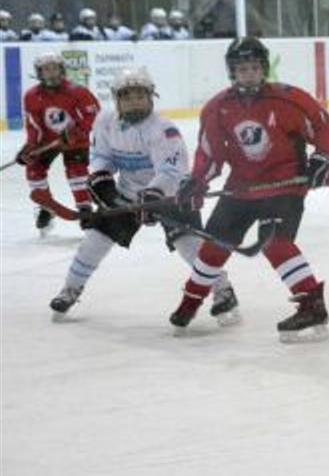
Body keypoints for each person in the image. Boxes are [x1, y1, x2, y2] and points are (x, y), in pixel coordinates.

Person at [170, 37, 329, 341]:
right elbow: (210, 154)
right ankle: (191, 300)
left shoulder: (291, 100)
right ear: (231, 72)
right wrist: (195, 181)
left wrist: (323, 159)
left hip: (284, 185)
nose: (248, 73)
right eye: (241, 68)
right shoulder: (217, 108)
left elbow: (324, 127)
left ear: (263, 68)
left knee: (274, 243)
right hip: (241, 188)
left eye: (253, 67)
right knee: (214, 247)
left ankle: (312, 304)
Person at [48, 67, 239, 323]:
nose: (133, 101)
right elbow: (103, 158)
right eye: (127, 97)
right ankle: (70, 288)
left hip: (171, 196)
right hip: (129, 194)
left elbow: (171, 171)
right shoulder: (105, 121)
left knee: (189, 246)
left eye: (140, 95)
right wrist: (105, 185)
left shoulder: (163, 129)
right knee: (94, 240)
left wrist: (152, 197)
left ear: (151, 97)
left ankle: (223, 290)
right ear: (117, 100)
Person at [13, 52, 101, 235]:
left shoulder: (78, 91)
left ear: (61, 70)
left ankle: (85, 209)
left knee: (76, 172)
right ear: (39, 73)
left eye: (54, 68)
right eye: (46, 69)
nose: (51, 73)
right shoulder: (31, 95)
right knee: (33, 170)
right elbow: (33, 124)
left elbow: (93, 114)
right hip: (47, 141)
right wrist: (30, 147)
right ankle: (46, 206)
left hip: (76, 140)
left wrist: (77, 131)